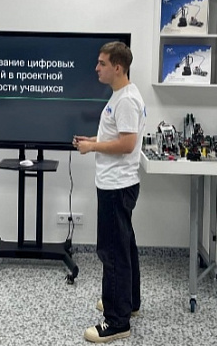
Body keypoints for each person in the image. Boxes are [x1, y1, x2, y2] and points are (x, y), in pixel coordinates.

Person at [73, 41, 146, 343]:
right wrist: (94, 140)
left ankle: (117, 322)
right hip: (118, 184)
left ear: (118, 67)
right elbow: (117, 135)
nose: (96, 68)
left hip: (116, 186)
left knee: (112, 252)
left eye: (102, 63)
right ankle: (129, 302)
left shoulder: (126, 100)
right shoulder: (123, 95)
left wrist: (92, 148)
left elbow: (127, 144)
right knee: (124, 246)